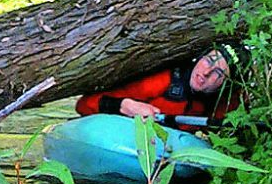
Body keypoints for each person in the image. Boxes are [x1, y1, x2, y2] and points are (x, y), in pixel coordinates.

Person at [75, 41, 249, 130]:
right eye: (208, 60)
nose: (205, 73)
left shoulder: (227, 103)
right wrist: (124, 105)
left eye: (218, 73)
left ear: (226, 84)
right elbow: (83, 105)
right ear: (201, 56)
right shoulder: (163, 81)